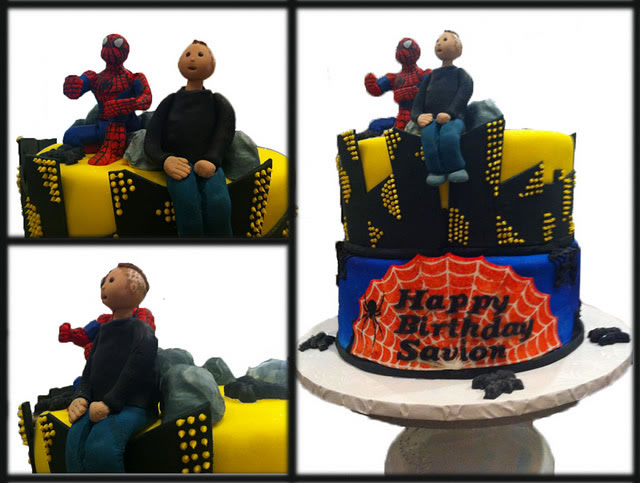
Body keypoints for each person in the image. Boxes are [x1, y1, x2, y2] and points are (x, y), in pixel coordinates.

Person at [65, 263, 158, 473]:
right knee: (74, 440)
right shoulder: (103, 331)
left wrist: (110, 403)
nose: (104, 286)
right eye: (104, 282)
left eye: (111, 280)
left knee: (102, 446)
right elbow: (89, 370)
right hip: (97, 404)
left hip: (134, 406)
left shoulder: (143, 331)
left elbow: (137, 370)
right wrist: (81, 396)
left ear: (133, 287)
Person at [144, 40, 235, 236]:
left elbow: (225, 133)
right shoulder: (169, 102)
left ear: (212, 64)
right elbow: (151, 138)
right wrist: (165, 159)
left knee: (219, 203)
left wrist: (212, 159)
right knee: (187, 203)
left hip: (208, 163)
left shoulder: (217, 102)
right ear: (179, 61)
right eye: (188, 54)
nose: (192, 58)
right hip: (178, 164)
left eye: (200, 55)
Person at [411, 30, 473, 186]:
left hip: (454, 119)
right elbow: (418, 101)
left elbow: (464, 93)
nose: (439, 43)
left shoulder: (460, 74)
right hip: (431, 120)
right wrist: (418, 116)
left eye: (445, 39)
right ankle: (436, 170)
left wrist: (450, 113)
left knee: (449, 136)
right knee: (428, 138)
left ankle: (456, 168)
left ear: (458, 47)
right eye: (437, 40)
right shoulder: (430, 77)